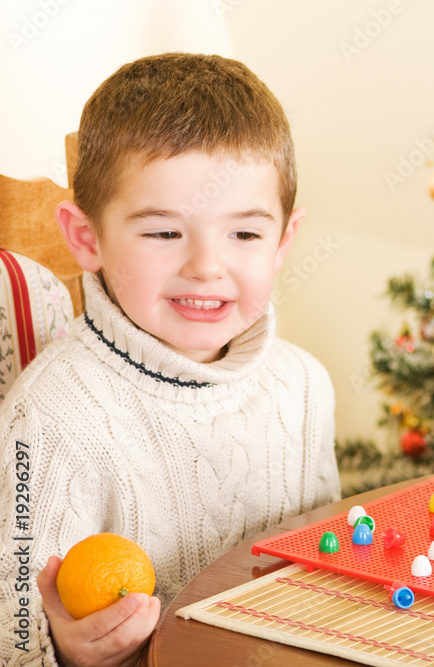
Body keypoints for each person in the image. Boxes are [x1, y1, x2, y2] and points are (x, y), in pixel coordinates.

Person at [0, 53, 340, 666]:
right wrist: (70, 653)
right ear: (86, 238)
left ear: (284, 241)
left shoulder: (304, 387)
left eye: (244, 234)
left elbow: (322, 578)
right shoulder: (48, 420)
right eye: (163, 233)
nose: (206, 266)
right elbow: (13, 638)